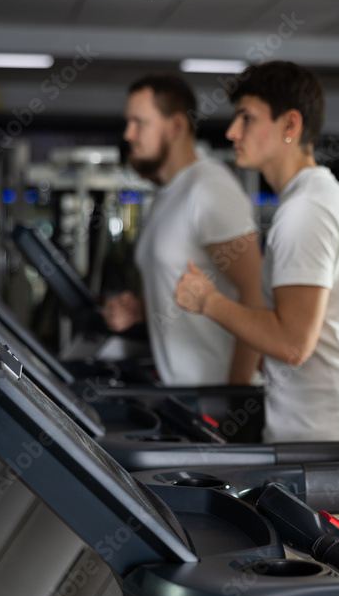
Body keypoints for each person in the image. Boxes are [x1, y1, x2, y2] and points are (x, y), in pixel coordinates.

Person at [173, 61, 339, 569]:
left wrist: (209, 302)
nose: (232, 132)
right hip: (332, 429)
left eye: (247, 118)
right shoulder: (328, 196)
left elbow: (294, 343)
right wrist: (335, 327)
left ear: (290, 126)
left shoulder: (303, 214)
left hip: (329, 442)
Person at [102, 73, 263, 386]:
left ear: (176, 126)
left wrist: (238, 391)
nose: (129, 134)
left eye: (139, 123)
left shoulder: (210, 188)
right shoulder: (166, 195)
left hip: (218, 395)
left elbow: (256, 290)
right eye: (128, 123)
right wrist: (140, 309)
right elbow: (190, 287)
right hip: (182, 394)